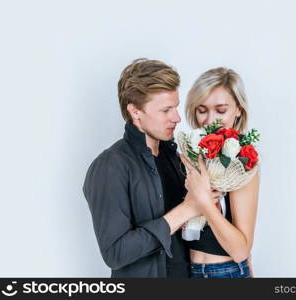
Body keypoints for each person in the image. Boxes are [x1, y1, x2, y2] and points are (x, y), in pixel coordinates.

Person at [82, 58, 218, 278]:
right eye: (165, 110)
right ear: (135, 111)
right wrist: (187, 209)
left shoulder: (176, 157)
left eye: (175, 107)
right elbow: (115, 253)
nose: (177, 117)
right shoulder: (109, 166)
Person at [181, 67, 260, 278]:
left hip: (225, 272)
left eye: (221, 110)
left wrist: (204, 201)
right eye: (202, 110)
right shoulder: (190, 153)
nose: (210, 120)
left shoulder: (243, 162)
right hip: (187, 271)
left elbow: (240, 250)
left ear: (238, 110)